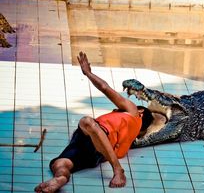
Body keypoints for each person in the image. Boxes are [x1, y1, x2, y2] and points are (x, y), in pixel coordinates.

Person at [34, 52, 154, 192]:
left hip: (94, 133)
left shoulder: (134, 112)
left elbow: (104, 87)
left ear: (141, 112)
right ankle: (60, 178)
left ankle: (118, 170)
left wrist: (88, 73)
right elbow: (106, 152)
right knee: (60, 164)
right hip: (94, 153)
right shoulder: (128, 142)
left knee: (87, 122)